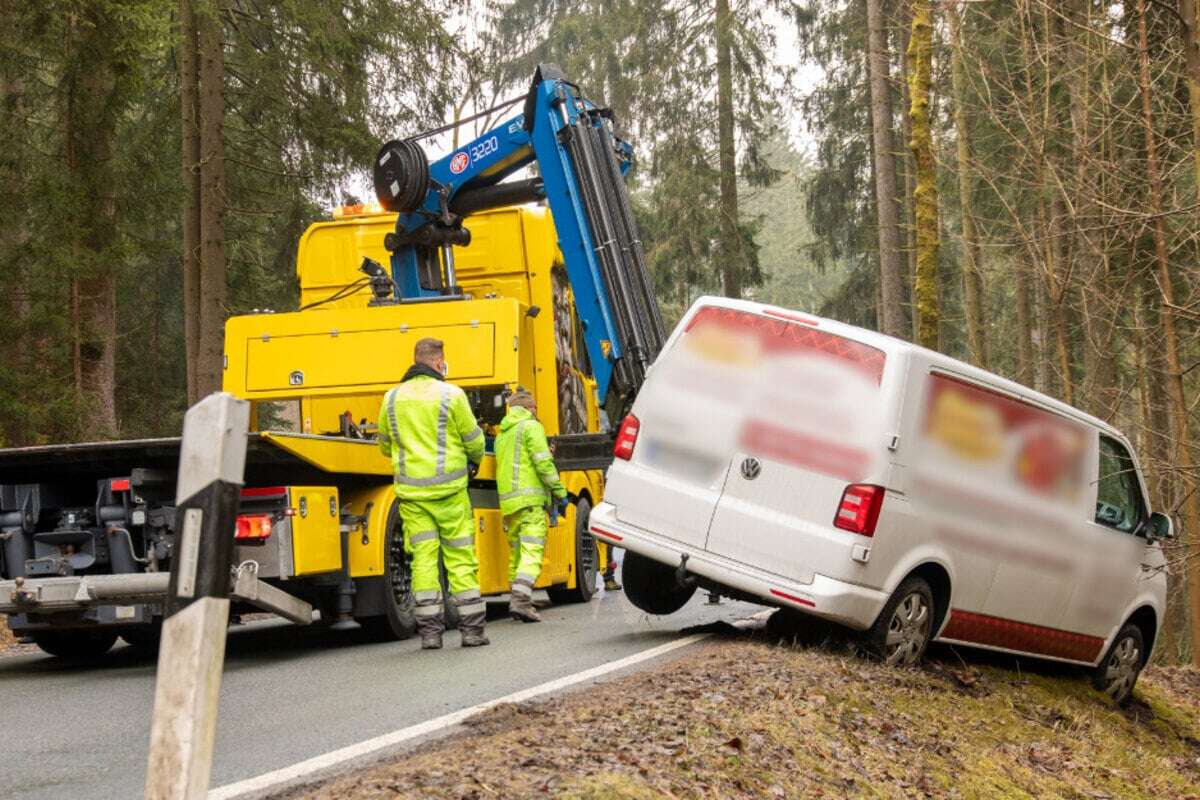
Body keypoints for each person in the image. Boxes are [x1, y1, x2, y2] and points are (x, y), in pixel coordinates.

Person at [377, 337, 487, 649]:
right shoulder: (452, 395)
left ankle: (429, 633)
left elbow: (385, 443)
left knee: (422, 560)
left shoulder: (392, 398)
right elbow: (474, 441)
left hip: (412, 495)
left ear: (415, 360)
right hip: (450, 493)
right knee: (460, 557)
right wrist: (473, 461)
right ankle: (472, 631)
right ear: (439, 363)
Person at [495, 387, 568, 623]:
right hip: (530, 502)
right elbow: (543, 464)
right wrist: (560, 491)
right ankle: (522, 602)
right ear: (528, 408)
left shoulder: (503, 433)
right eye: (534, 407)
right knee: (531, 551)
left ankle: (516, 598)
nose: (537, 410)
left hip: (509, 504)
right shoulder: (531, 427)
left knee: (516, 554)